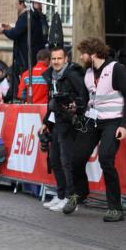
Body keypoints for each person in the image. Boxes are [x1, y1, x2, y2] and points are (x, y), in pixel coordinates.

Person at [65, 38, 126, 222]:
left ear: (93, 53)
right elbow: (88, 99)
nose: (81, 57)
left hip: (113, 120)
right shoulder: (88, 73)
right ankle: (80, 193)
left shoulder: (116, 69)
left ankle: (115, 207)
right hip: (93, 119)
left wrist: (124, 125)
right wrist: (76, 107)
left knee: (106, 159)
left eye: (83, 53)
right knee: (76, 158)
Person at [39, 47, 88, 211]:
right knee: (54, 160)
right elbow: (52, 102)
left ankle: (70, 198)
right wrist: (46, 121)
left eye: (59, 59)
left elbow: (84, 97)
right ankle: (61, 195)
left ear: (65, 59)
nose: (56, 62)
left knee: (66, 161)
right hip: (57, 122)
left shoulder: (72, 75)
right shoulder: (52, 76)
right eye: (53, 59)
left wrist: (76, 108)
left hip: (70, 124)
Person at [0, 0, 47, 100]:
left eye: (17, 4)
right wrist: (10, 29)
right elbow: (21, 32)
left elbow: (16, 34)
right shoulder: (36, 18)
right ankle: (13, 96)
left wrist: (4, 31)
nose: (16, 7)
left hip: (24, 56)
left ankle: (17, 97)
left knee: (16, 75)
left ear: (22, 4)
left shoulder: (25, 17)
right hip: (32, 54)